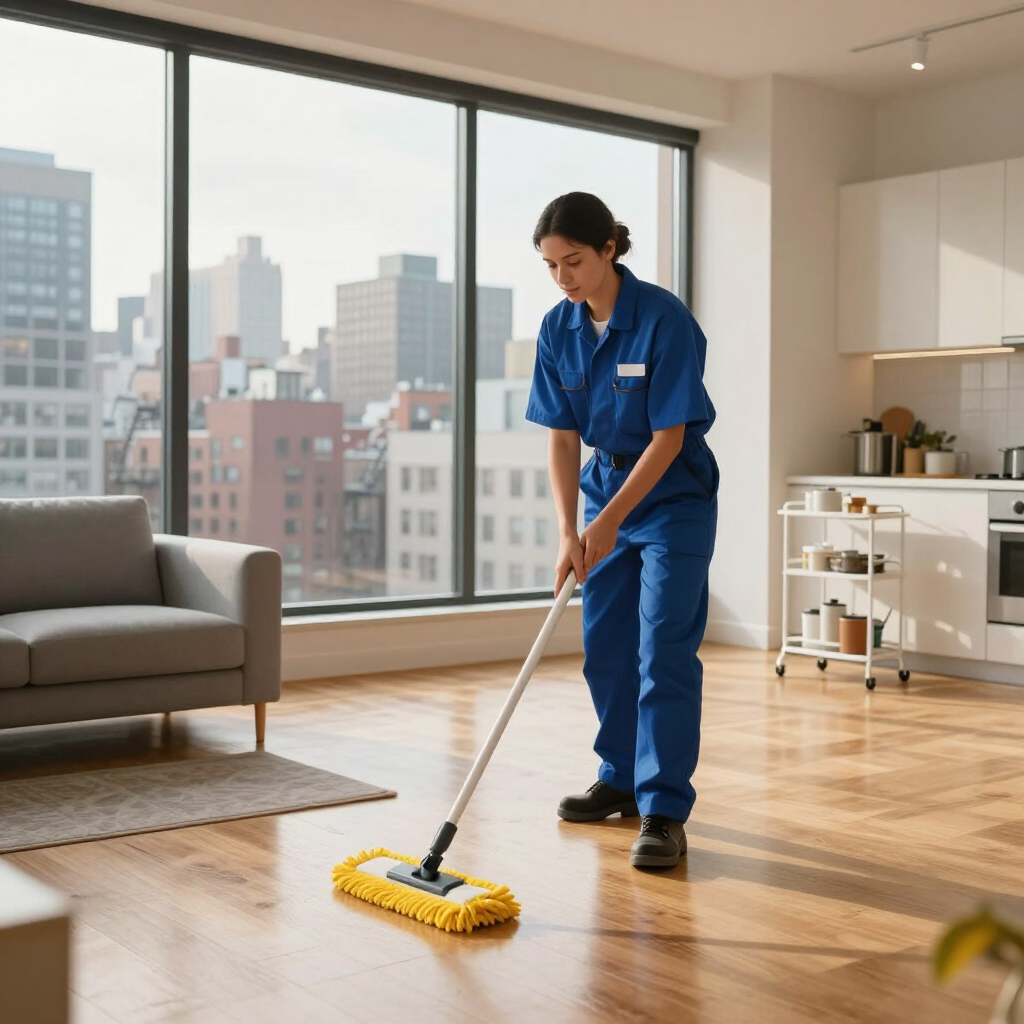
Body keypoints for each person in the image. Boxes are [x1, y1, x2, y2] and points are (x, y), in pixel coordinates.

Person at [525, 191, 718, 869]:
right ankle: (619, 780)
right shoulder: (559, 328)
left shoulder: (663, 320)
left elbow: (668, 436)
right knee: (604, 648)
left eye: (573, 261)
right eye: (551, 266)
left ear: (609, 248)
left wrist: (609, 522)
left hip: (672, 499)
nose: (563, 278)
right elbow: (561, 438)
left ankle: (664, 807)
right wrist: (569, 530)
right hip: (603, 492)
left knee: (662, 647)